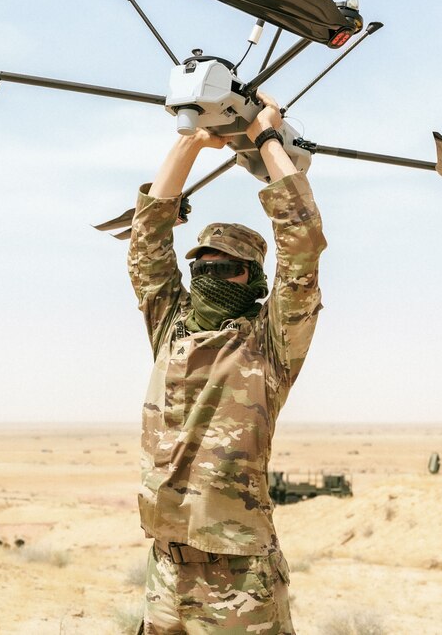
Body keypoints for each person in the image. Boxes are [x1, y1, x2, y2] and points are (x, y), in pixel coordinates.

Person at [127, 92, 326, 634]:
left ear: (255, 281)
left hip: (239, 583)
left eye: (228, 269)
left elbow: (302, 244)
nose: (211, 276)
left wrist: (264, 137)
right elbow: (146, 241)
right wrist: (191, 141)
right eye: (203, 267)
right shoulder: (172, 325)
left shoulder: (270, 340)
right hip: (167, 570)